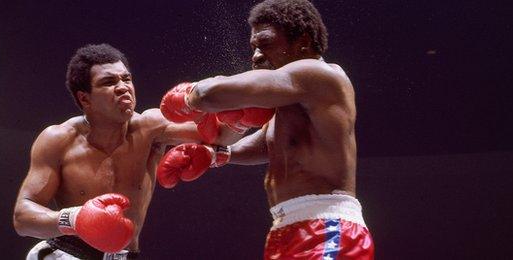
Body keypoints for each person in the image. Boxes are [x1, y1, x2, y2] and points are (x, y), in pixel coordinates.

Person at [159, 0, 374, 259]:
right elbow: (267, 143)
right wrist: (221, 155)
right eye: (254, 47)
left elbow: (209, 94)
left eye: (266, 44)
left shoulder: (320, 75)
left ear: (303, 43)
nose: (257, 55)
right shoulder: (288, 102)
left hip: (327, 227)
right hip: (285, 228)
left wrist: (189, 96)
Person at [12, 43, 243, 259]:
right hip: (69, 253)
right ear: (85, 98)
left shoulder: (151, 127)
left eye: (126, 79)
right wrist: (75, 219)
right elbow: (23, 217)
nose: (123, 87)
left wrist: (241, 117)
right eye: (109, 82)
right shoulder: (58, 139)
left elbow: (220, 136)